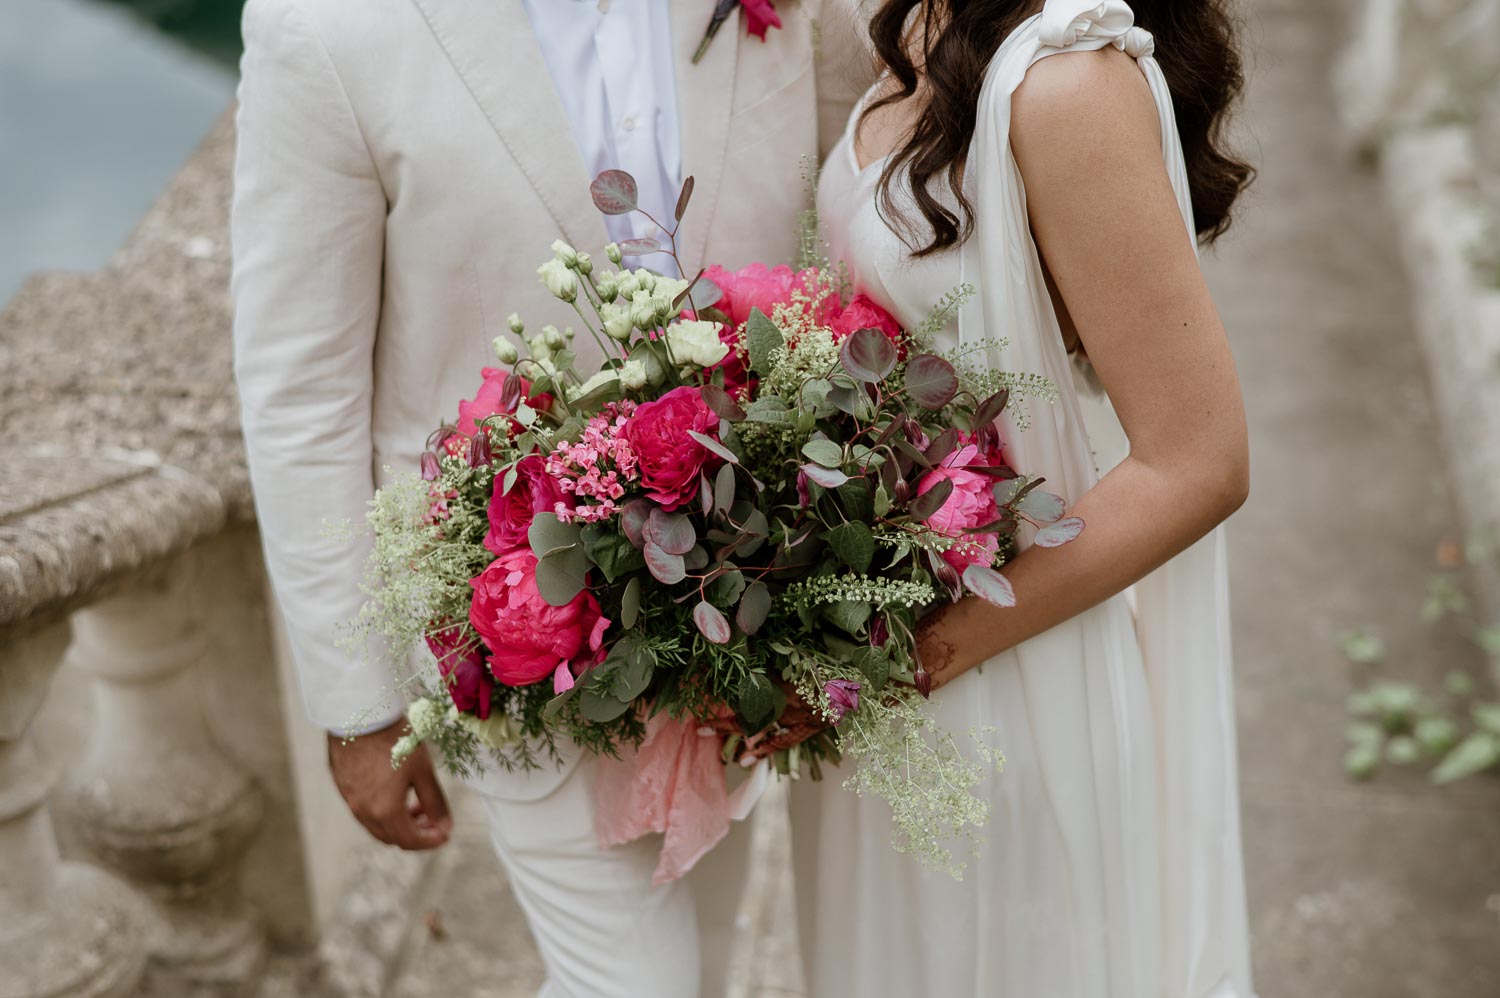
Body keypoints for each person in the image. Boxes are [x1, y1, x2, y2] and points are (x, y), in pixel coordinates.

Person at [229, 0, 871, 994]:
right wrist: (358, 706)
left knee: (697, 966)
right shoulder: (323, 29)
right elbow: (300, 391)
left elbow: (846, 212)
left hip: (747, 599)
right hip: (512, 617)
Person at [787, 0, 1258, 994]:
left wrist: (914, 659)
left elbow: (1199, 460)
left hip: (999, 684)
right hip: (888, 685)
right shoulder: (922, 17)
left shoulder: (1069, 85)